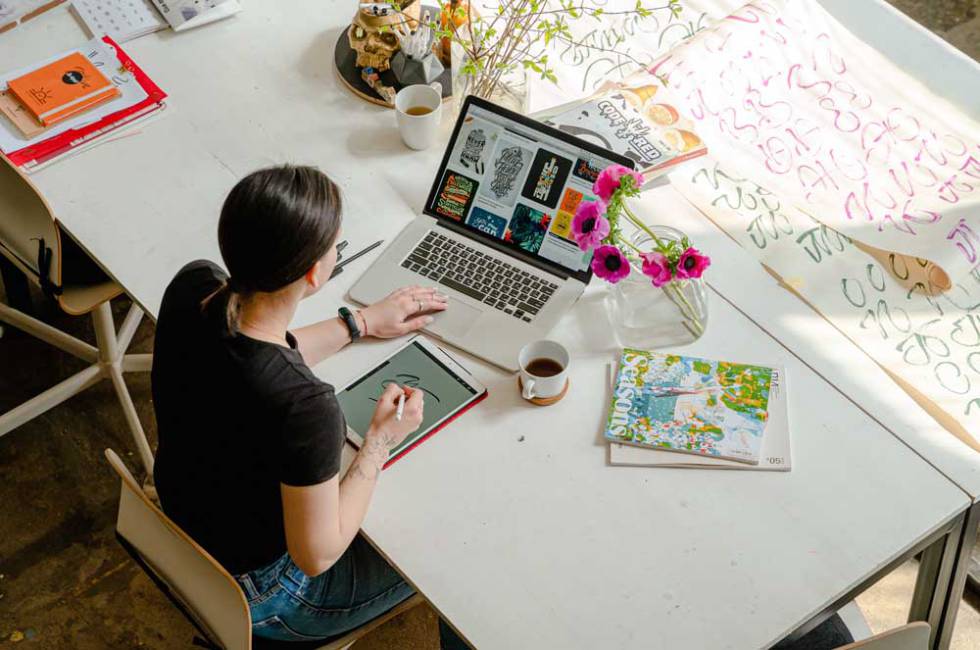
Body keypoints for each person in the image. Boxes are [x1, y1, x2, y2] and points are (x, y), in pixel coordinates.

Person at [150, 164, 464, 646]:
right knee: (453, 555)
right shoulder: (305, 407)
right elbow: (316, 555)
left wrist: (359, 323)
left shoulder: (193, 288)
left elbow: (255, 347)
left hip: (184, 532)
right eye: (336, 245)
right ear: (317, 273)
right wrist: (379, 443)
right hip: (271, 593)